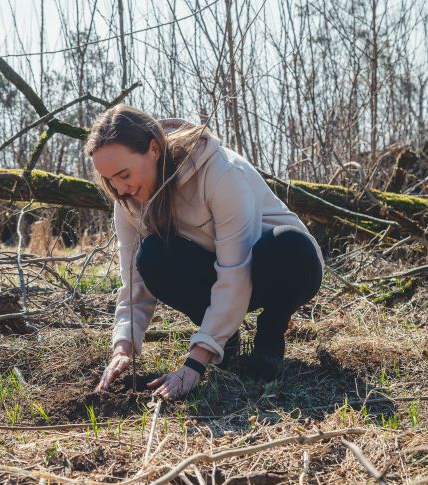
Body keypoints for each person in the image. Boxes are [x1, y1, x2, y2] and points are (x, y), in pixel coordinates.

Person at [86, 105, 324, 400]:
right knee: (151, 255)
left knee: (288, 244)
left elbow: (236, 268)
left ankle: (269, 340)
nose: (119, 189)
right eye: (109, 180)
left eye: (123, 174)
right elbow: (134, 282)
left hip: (279, 269)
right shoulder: (128, 201)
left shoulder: (222, 173)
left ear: (153, 149)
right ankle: (226, 341)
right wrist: (123, 345)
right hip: (216, 273)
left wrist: (194, 364)